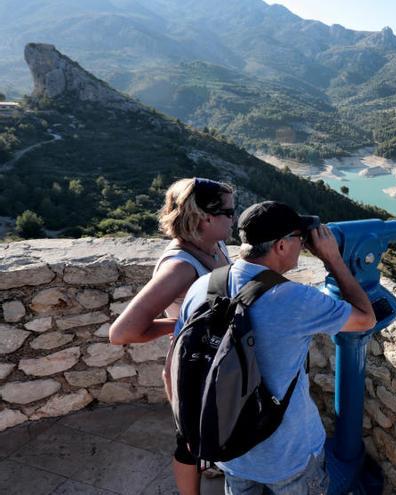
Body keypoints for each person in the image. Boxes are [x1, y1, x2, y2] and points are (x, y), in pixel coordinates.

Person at [171, 200, 376, 495]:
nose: (303, 245)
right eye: (299, 239)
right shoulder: (296, 300)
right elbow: (365, 318)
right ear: (281, 246)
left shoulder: (202, 286)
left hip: (228, 448)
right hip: (289, 456)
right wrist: (333, 260)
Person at [109, 177, 235, 495]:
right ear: (206, 218)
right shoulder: (181, 266)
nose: (235, 218)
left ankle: (214, 462)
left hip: (216, 360)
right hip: (193, 368)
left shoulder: (214, 245)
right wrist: (179, 326)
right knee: (189, 441)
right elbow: (121, 332)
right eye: (230, 212)